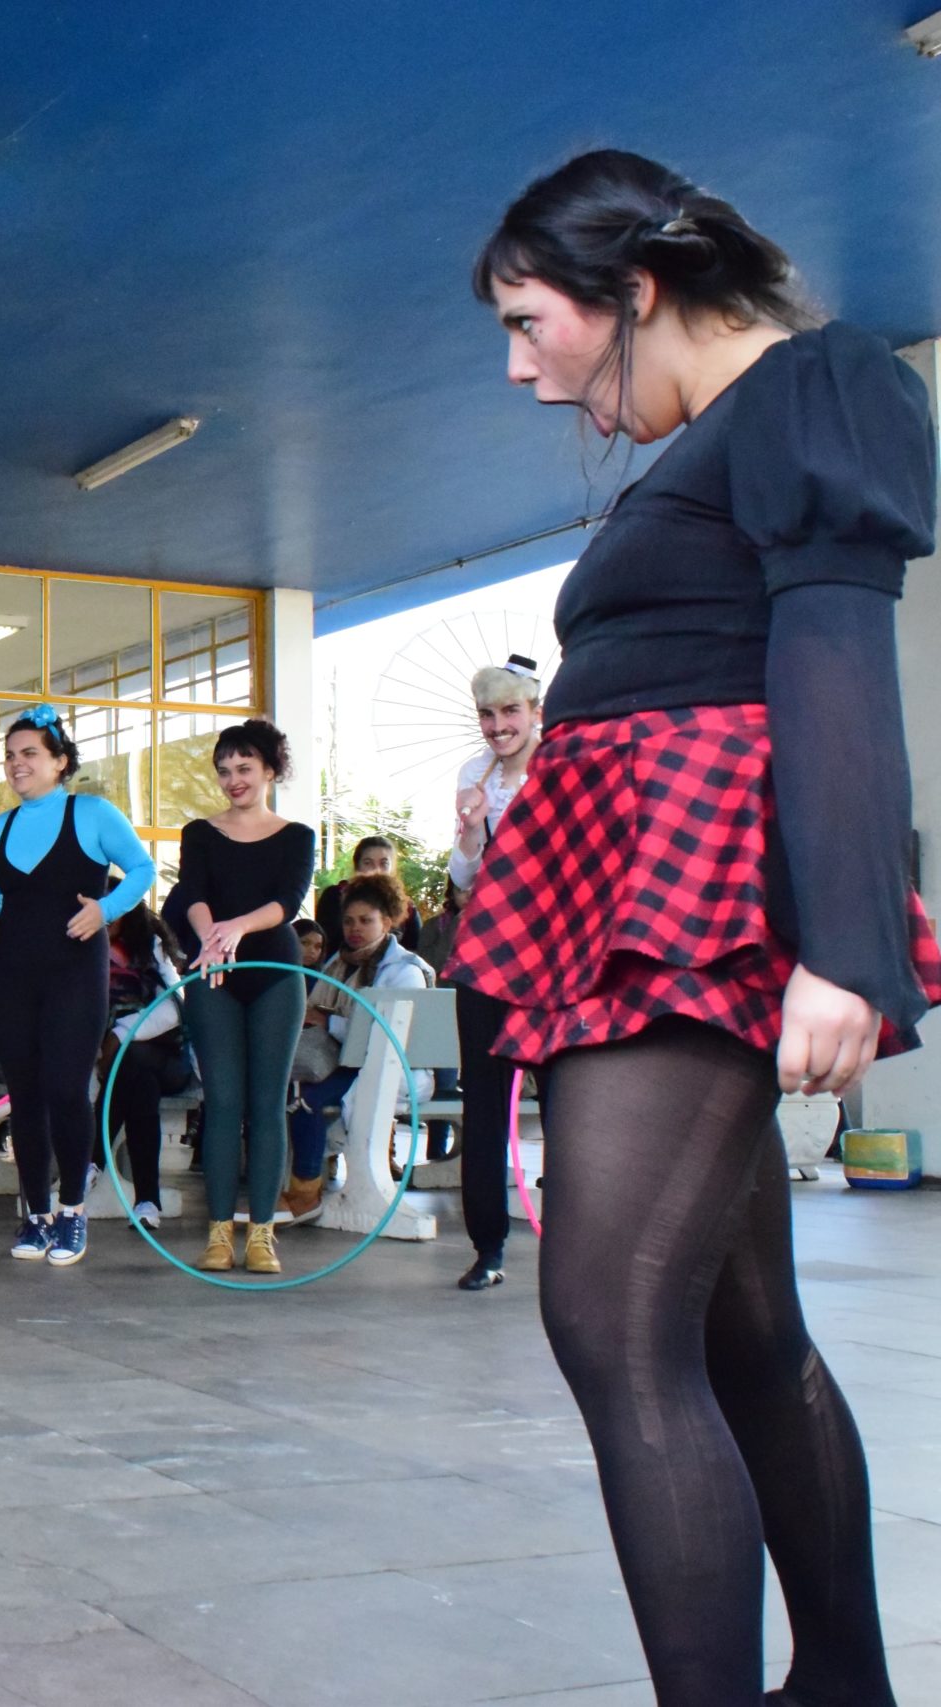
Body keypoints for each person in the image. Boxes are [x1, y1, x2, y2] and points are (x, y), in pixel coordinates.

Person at [451, 150, 941, 1705]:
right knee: (742, 1329)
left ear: (638, 290)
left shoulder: (813, 388)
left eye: (530, 322)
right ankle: (845, 1684)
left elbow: (838, 670)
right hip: (641, 886)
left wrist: (847, 948)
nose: (523, 370)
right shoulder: (720, 438)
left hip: (698, 899)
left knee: (612, 1319)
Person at [0, 708, 155, 1265]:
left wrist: (105, 909)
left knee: (65, 1089)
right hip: (13, 974)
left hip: (75, 972)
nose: (17, 764)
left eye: (29, 753)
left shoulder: (93, 813)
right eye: (10, 755)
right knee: (25, 1095)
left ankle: (73, 1211)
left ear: (59, 762)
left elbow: (143, 870)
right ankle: (37, 1216)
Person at [173, 718, 313, 1275]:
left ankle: (261, 1235)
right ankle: (217, 1234)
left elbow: (288, 902)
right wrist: (212, 937)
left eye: (245, 768)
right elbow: (191, 892)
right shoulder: (200, 832)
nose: (234, 780)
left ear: (270, 771)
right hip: (215, 973)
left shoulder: (296, 835)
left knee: (267, 1104)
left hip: (275, 971)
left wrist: (237, 928)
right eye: (225, 770)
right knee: (224, 1102)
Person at [443, 654, 545, 1289]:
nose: (498, 725)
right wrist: (473, 824)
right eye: (487, 713)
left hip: (556, 951)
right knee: (483, 1100)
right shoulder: (472, 774)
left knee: (566, 1098)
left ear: (536, 712)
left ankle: (581, 1243)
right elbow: (461, 878)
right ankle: (488, 1248)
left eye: (511, 711)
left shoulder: (562, 770)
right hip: (488, 950)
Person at [283, 873, 433, 1225]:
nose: (355, 929)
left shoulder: (404, 971)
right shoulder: (339, 963)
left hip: (393, 1068)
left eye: (366, 921)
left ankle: (306, 1193)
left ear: (387, 921)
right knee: (296, 1089)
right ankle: (302, 1186)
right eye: (349, 921)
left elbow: (390, 1035)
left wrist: (327, 1021)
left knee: (307, 1098)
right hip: (353, 1060)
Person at [103, 902, 191, 1228]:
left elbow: (175, 1006)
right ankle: (147, 1201)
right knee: (139, 1083)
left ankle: (92, 1162)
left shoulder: (151, 949)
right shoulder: (81, 949)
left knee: (131, 1061)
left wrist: (119, 1035)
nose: (105, 917)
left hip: (167, 1057)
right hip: (129, 1067)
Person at [312, 836, 421, 955]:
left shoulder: (406, 908)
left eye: (384, 863)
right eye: (368, 863)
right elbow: (324, 944)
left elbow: (415, 951)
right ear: (357, 866)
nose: (376, 869)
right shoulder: (335, 896)